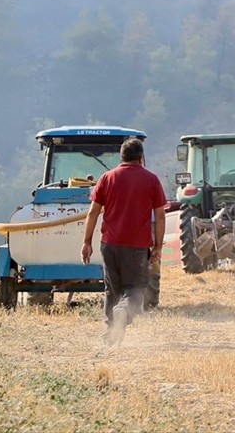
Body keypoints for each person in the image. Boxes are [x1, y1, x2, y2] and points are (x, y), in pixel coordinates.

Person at [81, 137, 166, 346]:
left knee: (112, 289)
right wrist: (157, 246)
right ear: (141, 157)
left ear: (122, 157)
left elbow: (93, 212)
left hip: (109, 244)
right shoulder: (151, 180)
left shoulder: (107, 178)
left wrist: (87, 242)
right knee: (135, 289)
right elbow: (160, 216)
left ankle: (112, 333)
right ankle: (124, 311)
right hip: (136, 247)